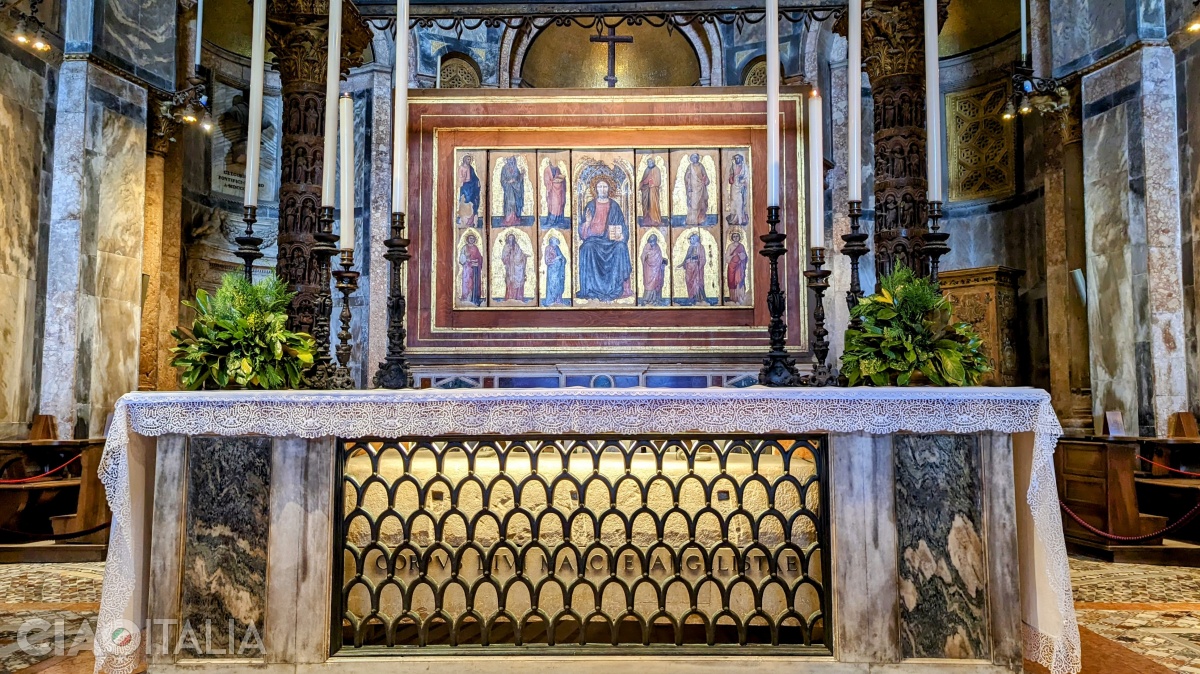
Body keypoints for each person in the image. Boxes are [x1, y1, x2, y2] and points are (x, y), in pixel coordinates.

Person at [577, 178, 631, 301]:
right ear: (596, 189)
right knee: (587, 247)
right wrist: (588, 222)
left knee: (621, 247)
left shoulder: (615, 206)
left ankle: (617, 287)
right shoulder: (590, 205)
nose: (602, 189)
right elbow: (582, 233)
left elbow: (622, 225)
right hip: (594, 241)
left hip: (611, 242)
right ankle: (591, 288)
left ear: (609, 189)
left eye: (605, 187)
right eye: (600, 187)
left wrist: (622, 236)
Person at [640, 233, 667, 306]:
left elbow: (659, 257)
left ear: (656, 241)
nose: (652, 243)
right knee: (649, 284)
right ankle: (646, 299)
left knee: (655, 283)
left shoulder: (657, 247)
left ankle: (655, 299)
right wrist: (647, 259)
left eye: (653, 241)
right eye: (650, 241)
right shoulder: (646, 247)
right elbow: (643, 257)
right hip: (648, 269)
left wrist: (663, 261)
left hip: (657, 269)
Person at [501, 232, 528, 302]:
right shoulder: (506, 247)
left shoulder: (516, 246)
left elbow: (520, 254)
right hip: (510, 267)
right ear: (507, 239)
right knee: (510, 281)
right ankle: (510, 297)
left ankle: (518, 297)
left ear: (514, 239)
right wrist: (508, 256)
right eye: (510, 238)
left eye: (512, 238)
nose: (511, 239)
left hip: (517, 267)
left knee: (518, 280)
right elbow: (503, 257)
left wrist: (523, 256)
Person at [684, 153, 710, 226]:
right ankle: (692, 220)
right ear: (691, 159)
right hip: (693, 189)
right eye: (693, 158)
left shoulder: (701, 166)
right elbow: (686, 177)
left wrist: (705, 180)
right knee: (694, 204)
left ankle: (700, 219)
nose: (695, 159)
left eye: (696, 157)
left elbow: (704, 175)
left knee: (701, 204)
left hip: (701, 187)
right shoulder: (690, 166)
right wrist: (688, 184)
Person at [458, 233, 484, 306]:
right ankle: (467, 298)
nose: (471, 240)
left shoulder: (476, 248)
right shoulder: (464, 247)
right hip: (467, 268)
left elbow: (479, 257)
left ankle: (474, 299)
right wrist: (467, 260)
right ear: (467, 239)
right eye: (470, 238)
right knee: (467, 282)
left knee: (474, 282)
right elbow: (461, 258)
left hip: (475, 268)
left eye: (473, 239)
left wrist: (478, 260)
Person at [681, 232, 707, 304]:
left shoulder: (700, 247)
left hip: (697, 268)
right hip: (689, 267)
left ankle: (697, 297)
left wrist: (699, 263)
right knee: (688, 280)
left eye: (692, 239)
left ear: (696, 239)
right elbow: (687, 257)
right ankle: (691, 297)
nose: (691, 240)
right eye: (690, 239)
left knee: (697, 281)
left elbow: (703, 258)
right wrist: (685, 263)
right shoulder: (690, 247)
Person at [542, 237, 567, 306]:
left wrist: (563, 259)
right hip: (552, 270)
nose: (557, 241)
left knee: (559, 284)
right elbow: (547, 261)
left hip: (559, 270)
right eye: (556, 240)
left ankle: (558, 300)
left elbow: (562, 257)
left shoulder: (557, 248)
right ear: (552, 241)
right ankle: (551, 301)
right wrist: (556, 258)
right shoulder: (548, 248)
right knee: (552, 284)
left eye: (557, 240)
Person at [500, 156, 524, 226]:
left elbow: (518, 179)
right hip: (508, 189)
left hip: (515, 189)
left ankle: (514, 218)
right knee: (509, 203)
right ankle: (508, 218)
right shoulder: (504, 168)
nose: (511, 161)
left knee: (514, 203)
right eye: (510, 160)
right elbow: (502, 180)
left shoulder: (516, 168)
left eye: (513, 160)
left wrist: (521, 176)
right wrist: (509, 181)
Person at [726, 230, 749, 305]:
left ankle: (740, 296)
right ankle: (733, 297)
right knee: (732, 280)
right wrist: (733, 255)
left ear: (739, 237)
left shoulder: (741, 246)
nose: (735, 238)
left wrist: (741, 256)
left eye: (737, 236)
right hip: (732, 266)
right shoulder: (730, 246)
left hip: (739, 266)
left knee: (739, 280)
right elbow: (727, 258)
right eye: (734, 236)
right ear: (732, 238)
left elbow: (745, 257)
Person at [726, 153, 749, 226]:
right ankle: (734, 218)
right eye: (735, 159)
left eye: (738, 158)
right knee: (733, 201)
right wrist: (731, 178)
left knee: (740, 202)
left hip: (741, 186)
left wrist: (742, 180)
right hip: (734, 186)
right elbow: (731, 176)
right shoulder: (733, 166)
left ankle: (740, 219)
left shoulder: (744, 167)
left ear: (741, 159)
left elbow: (746, 177)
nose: (737, 160)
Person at [457, 155, 480, 226]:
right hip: (465, 187)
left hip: (472, 187)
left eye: (470, 159)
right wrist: (464, 177)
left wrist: (478, 181)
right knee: (465, 201)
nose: (469, 161)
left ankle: (471, 221)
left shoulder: (471, 168)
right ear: (464, 160)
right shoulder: (461, 168)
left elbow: (475, 177)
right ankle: (464, 220)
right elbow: (459, 179)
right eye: (467, 159)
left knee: (474, 202)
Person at [639, 158, 663, 226]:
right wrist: (643, 183)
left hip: (653, 190)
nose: (649, 163)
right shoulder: (647, 169)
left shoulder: (656, 169)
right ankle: (647, 219)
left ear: (653, 162)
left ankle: (655, 219)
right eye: (648, 162)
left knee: (653, 204)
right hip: (646, 190)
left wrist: (651, 182)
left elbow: (658, 181)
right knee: (646, 204)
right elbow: (644, 179)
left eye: (651, 162)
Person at [543, 164, 567, 229]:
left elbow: (560, 177)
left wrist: (561, 179)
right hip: (552, 191)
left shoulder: (557, 169)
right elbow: (546, 182)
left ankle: (559, 220)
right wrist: (553, 181)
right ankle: (552, 220)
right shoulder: (547, 170)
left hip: (559, 190)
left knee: (560, 203)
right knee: (554, 205)